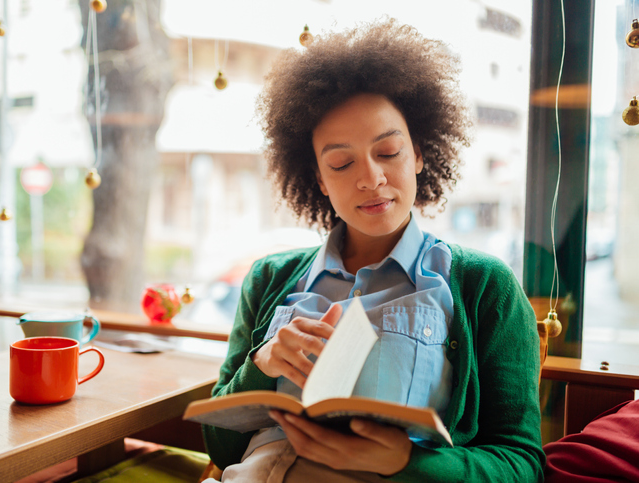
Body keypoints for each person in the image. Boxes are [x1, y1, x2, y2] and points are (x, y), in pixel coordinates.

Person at [201, 18, 544, 482]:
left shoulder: (483, 285)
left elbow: (521, 465)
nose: (371, 178)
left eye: (388, 152)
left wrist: (407, 462)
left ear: (419, 153)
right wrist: (261, 366)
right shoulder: (268, 278)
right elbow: (220, 447)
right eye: (341, 163)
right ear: (319, 179)